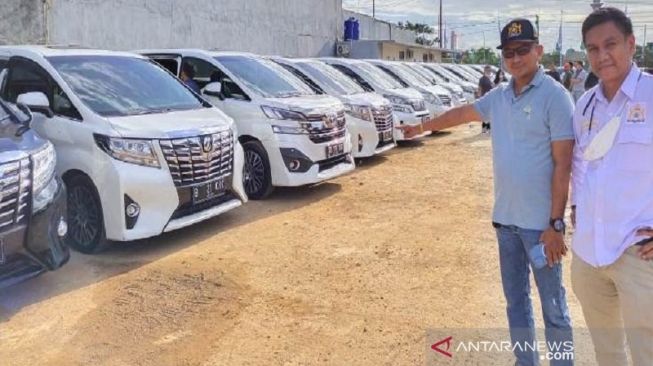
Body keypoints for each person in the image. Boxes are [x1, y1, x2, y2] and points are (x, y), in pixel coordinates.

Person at [401, 18, 574, 366]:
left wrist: (555, 224)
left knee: (553, 308)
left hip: (540, 228)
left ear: (538, 51)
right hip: (506, 224)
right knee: (516, 304)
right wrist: (421, 126)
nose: (515, 58)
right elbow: (463, 113)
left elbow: (563, 166)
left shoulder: (556, 97)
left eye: (523, 50)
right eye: (509, 52)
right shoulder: (499, 96)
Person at [570, 7, 653, 366]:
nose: (602, 56)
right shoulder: (585, 105)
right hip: (589, 254)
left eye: (611, 44)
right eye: (592, 48)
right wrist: (576, 208)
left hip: (638, 254)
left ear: (631, 44)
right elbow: (579, 164)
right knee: (607, 352)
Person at [478, 65, 494, 133]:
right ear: (484, 71)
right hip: (484, 98)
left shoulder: (490, 79)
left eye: (490, 70)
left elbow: (493, 87)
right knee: (484, 113)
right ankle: (484, 128)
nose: (489, 72)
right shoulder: (482, 79)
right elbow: (480, 88)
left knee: (490, 113)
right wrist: (480, 98)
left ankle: (489, 128)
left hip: (490, 98)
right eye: (488, 70)